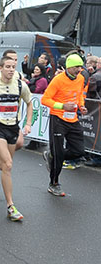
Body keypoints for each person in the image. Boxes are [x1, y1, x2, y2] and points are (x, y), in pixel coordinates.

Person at [0, 55, 33, 221]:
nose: (10, 70)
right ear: (0, 68)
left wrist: (28, 123)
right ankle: (10, 206)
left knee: (3, 165)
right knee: (8, 165)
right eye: (7, 67)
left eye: (13, 67)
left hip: (13, 128)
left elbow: (30, 103)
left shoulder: (20, 86)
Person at [41, 54, 87, 196]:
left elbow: (79, 94)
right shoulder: (58, 80)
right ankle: (54, 183)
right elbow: (45, 99)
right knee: (59, 152)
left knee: (79, 151)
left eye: (80, 67)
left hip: (72, 119)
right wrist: (62, 106)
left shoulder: (80, 78)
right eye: (76, 67)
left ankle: (52, 155)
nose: (79, 70)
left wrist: (81, 105)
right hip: (58, 119)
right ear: (68, 67)